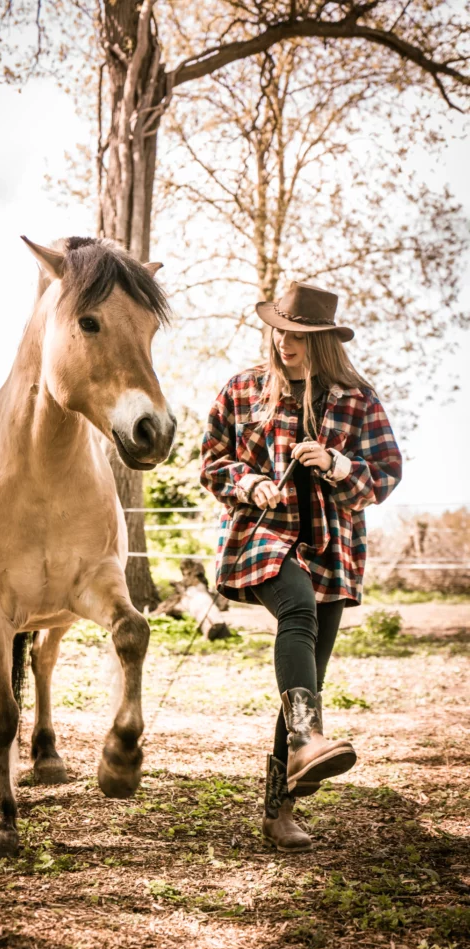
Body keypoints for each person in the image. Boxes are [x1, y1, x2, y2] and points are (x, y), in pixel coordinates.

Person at [200, 282, 402, 853]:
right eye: (281, 330)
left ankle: (278, 806)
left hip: (333, 548)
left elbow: (384, 474)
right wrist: (251, 482)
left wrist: (338, 464)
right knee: (297, 608)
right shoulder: (242, 390)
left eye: (300, 336)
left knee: (307, 674)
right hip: (262, 537)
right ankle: (308, 738)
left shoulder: (357, 398)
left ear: (324, 342)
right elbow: (213, 464)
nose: (284, 342)